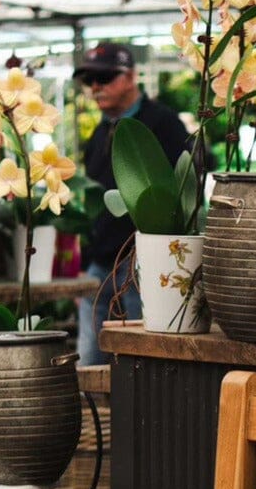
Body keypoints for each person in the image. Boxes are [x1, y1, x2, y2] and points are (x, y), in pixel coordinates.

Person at [73, 42, 191, 365]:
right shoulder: (98, 134)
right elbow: (91, 202)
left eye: (105, 77)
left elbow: (187, 185)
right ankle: (93, 413)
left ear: (130, 76)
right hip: (100, 263)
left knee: (146, 355)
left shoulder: (162, 124)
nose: (96, 87)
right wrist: (83, 263)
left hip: (143, 260)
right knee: (89, 359)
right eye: (90, 81)